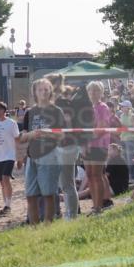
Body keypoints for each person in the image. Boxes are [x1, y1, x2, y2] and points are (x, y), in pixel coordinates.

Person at [19, 79, 66, 224]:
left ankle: (48, 223)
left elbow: (62, 135)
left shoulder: (56, 111)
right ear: (35, 92)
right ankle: (33, 226)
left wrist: (47, 133)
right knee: (30, 194)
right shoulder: (30, 112)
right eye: (40, 90)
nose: (43, 92)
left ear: (50, 91)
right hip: (32, 156)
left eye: (46, 89)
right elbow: (22, 137)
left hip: (50, 155)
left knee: (48, 193)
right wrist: (30, 135)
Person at [49, 75, 81, 221]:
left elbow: (66, 122)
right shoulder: (59, 102)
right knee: (67, 183)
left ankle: (72, 215)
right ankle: (71, 214)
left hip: (66, 145)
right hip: (64, 145)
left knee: (67, 184)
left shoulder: (61, 102)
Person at [83, 81, 114, 213]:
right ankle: (96, 204)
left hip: (99, 145)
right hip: (88, 146)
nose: (93, 93)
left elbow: (101, 128)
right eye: (90, 90)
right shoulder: (88, 107)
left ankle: (99, 206)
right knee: (90, 175)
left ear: (101, 92)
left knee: (96, 175)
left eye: (96, 90)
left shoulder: (103, 107)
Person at [0, 102, 20, 216]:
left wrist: (19, 157)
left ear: (3, 110)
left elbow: (17, 139)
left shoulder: (11, 123)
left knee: (5, 178)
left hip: (9, 155)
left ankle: (8, 205)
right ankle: (5, 205)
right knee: (2, 182)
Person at [117, 100, 134, 183]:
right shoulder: (121, 115)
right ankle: (129, 177)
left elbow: (133, 129)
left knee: (130, 159)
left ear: (128, 107)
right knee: (126, 160)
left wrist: (123, 126)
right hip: (122, 139)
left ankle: (132, 177)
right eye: (121, 106)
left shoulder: (132, 116)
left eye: (123, 106)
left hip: (130, 139)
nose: (121, 108)